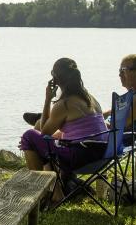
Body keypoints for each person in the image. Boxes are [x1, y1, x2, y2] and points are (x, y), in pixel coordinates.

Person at [19, 58, 108, 201]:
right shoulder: (91, 99)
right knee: (50, 139)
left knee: (29, 136)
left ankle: (42, 192)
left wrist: (48, 99)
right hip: (101, 155)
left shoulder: (64, 104)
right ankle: (55, 193)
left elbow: (44, 132)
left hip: (79, 157)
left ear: (55, 79)